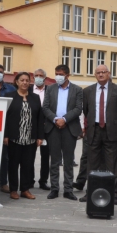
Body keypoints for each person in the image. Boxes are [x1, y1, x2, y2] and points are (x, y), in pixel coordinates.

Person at [79, 65, 117, 204]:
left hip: (110, 131)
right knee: (92, 163)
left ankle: (113, 194)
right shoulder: (88, 91)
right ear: (95, 75)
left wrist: (113, 123)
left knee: (111, 164)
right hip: (94, 131)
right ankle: (90, 192)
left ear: (109, 73)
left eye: (103, 72)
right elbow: (86, 110)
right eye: (98, 72)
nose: (101, 74)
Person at [42, 64, 83, 200]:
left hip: (69, 128)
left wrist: (64, 119)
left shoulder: (77, 89)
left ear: (67, 75)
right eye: (56, 74)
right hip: (53, 127)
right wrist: (55, 119)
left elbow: (78, 109)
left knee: (68, 161)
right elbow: (45, 107)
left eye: (60, 74)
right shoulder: (50, 88)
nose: (58, 76)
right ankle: (54, 188)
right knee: (54, 160)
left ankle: (68, 189)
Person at [5, 72, 44, 199]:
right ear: (17, 82)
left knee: (28, 165)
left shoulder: (35, 97)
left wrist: (40, 136)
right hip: (14, 137)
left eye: (27, 80)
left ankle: (25, 189)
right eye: (22, 80)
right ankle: (13, 190)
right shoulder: (9, 96)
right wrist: (6, 135)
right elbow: (5, 118)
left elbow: (39, 118)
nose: (25, 82)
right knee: (13, 164)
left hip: (30, 137)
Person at [0, 64, 15, 193]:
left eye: (0, 71)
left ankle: (3, 182)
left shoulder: (11, 89)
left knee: (5, 157)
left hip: (6, 126)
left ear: (4, 74)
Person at [31, 69, 51, 190]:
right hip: (31, 128)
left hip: (46, 128)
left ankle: (43, 181)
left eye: (41, 75)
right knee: (29, 155)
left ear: (45, 78)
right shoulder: (29, 90)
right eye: (36, 75)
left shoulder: (50, 90)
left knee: (45, 156)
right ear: (33, 77)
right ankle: (30, 180)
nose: (38, 77)